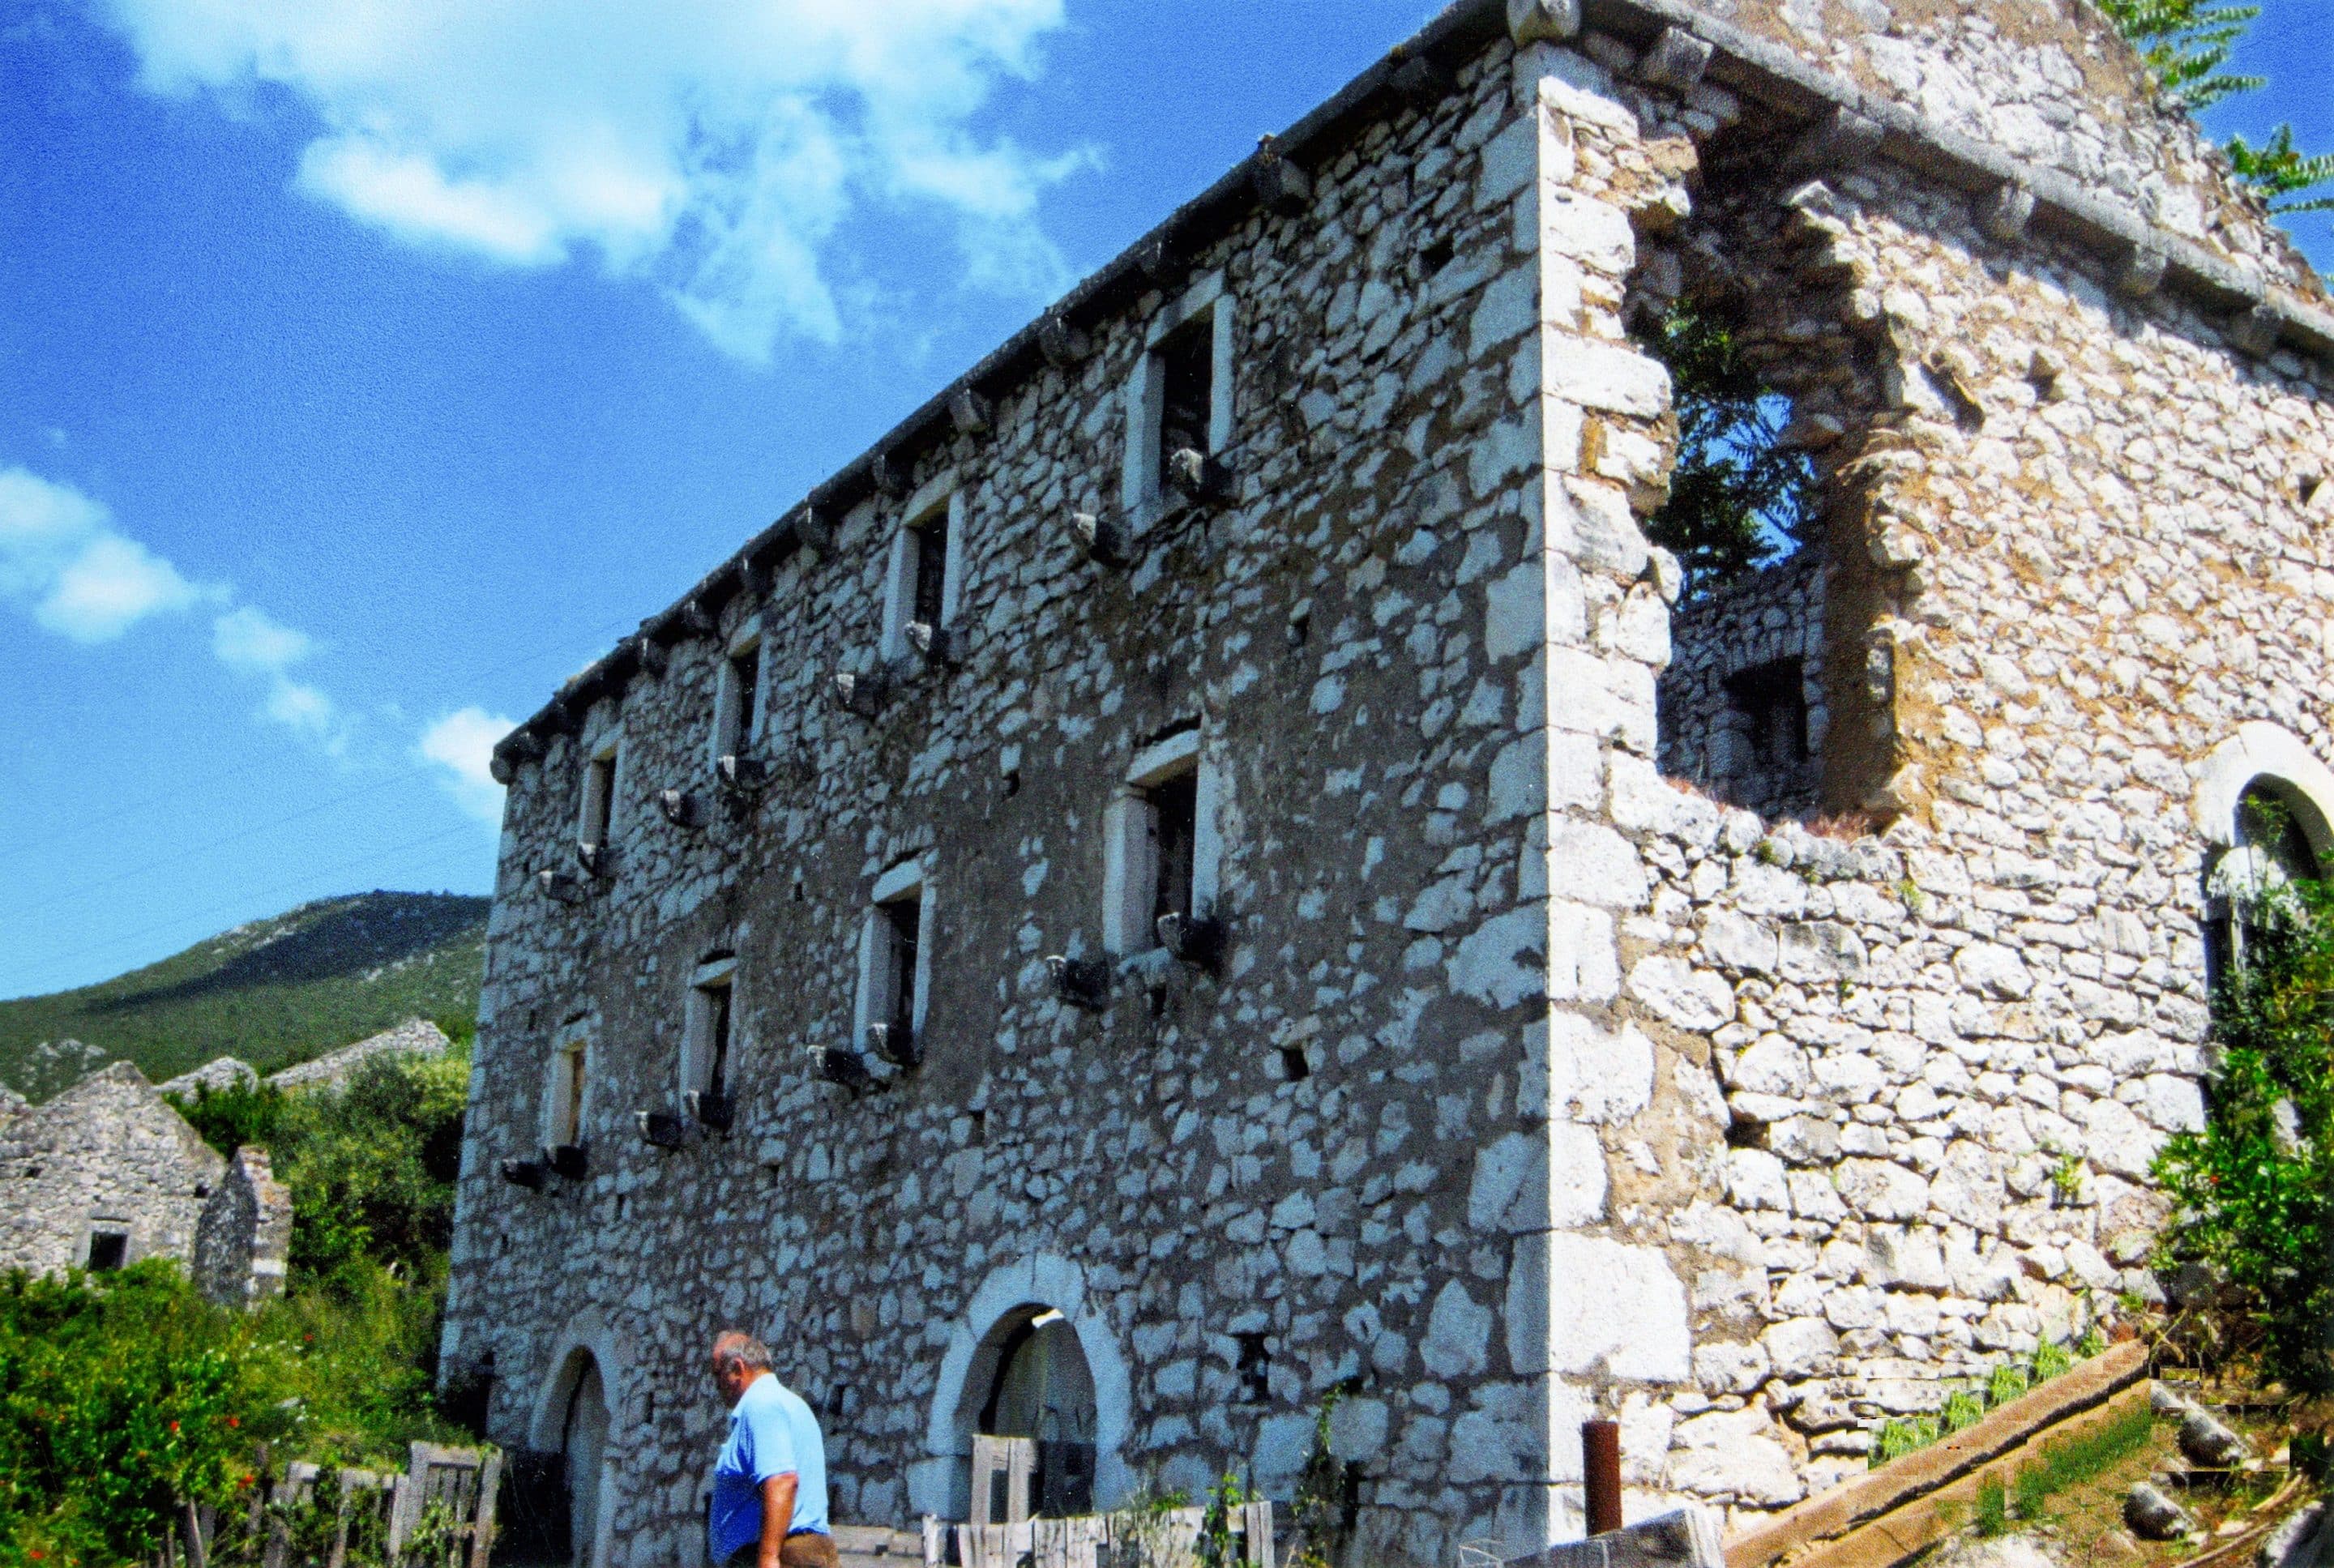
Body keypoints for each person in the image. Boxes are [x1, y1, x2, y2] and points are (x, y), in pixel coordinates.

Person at [707, 1330, 836, 1568]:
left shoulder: (760, 1406)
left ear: (737, 1369)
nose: (716, 1385)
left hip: (779, 1554)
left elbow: (782, 1481)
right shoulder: (791, 1405)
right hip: (800, 1550)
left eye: (717, 1374)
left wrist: (768, 1558)